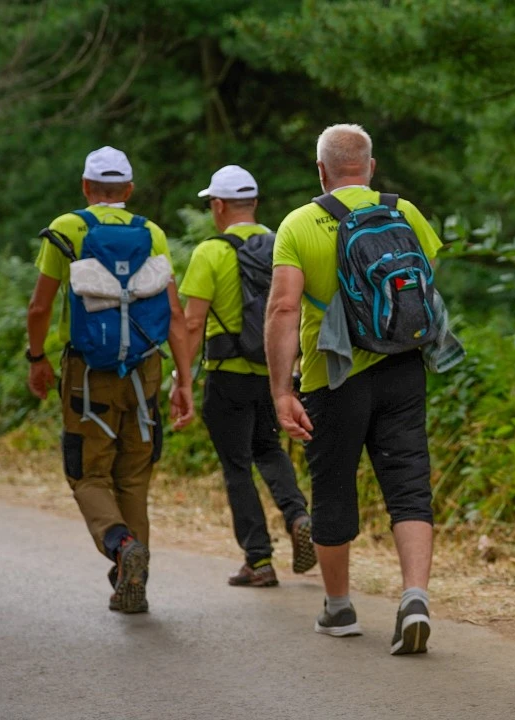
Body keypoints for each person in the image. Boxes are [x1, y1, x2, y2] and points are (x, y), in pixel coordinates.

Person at [265, 124, 441, 654]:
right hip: (403, 366)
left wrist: (280, 390)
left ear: (321, 171)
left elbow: (283, 307)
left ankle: (339, 607)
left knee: (334, 486)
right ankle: (414, 597)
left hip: (331, 377)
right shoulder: (404, 212)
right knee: (409, 484)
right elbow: (426, 283)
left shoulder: (299, 223)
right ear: (370, 165)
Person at [25, 146, 194, 614]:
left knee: (88, 472)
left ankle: (121, 547)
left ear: (85, 187)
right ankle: (131, 580)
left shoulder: (68, 228)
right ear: (129, 191)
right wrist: (183, 380)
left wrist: (36, 357)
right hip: (145, 371)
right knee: (133, 477)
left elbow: (40, 306)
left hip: (88, 374)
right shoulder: (151, 232)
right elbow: (175, 315)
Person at [175, 165, 315, 588]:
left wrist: (180, 379)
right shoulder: (280, 243)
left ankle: (258, 560)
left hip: (227, 375)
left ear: (218, 206)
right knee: (269, 450)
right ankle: (299, 516)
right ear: (254, 203)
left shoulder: (210, 252)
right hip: (272, 374)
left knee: (237, 466)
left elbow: (193, 324)